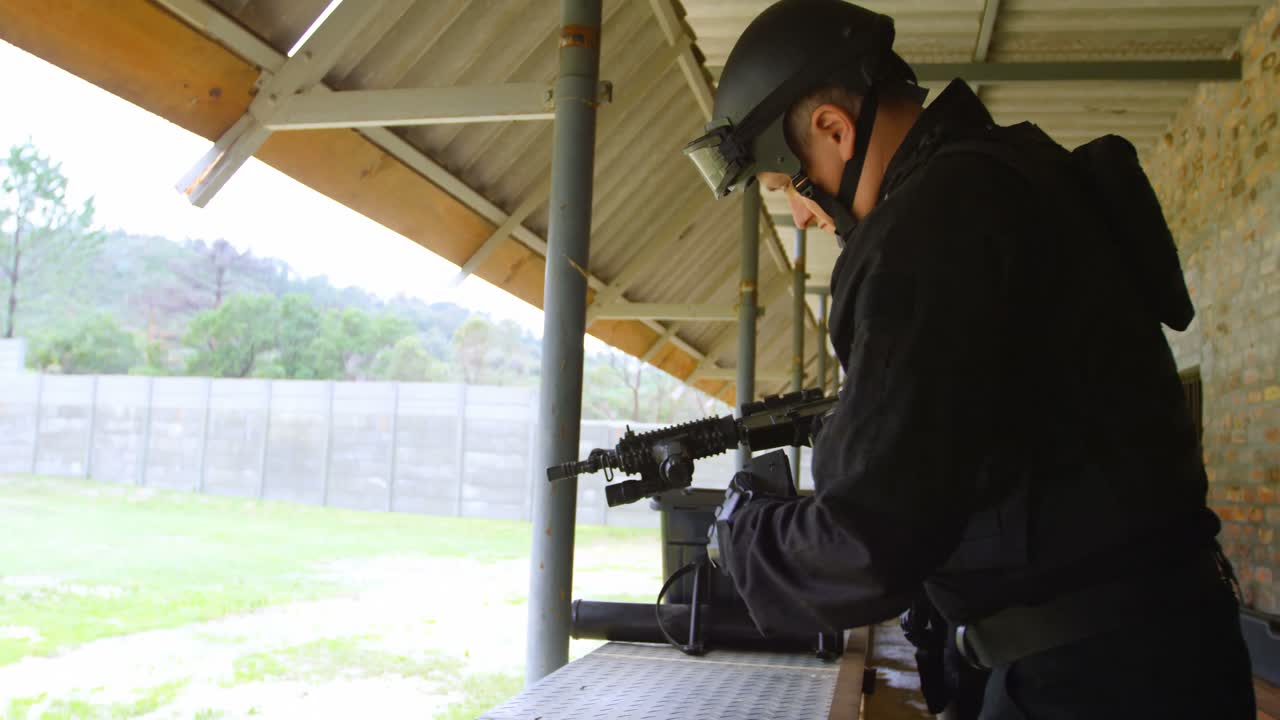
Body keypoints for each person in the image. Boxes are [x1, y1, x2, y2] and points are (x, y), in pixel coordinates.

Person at [691, 1, 1256, 717]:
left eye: (785, 190)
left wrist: (740, 536)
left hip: (1092, 681)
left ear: (834, 129)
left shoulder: (929, 226)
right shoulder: (1016, 175)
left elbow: (869, 541)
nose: (802, 216)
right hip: (1156, 657)